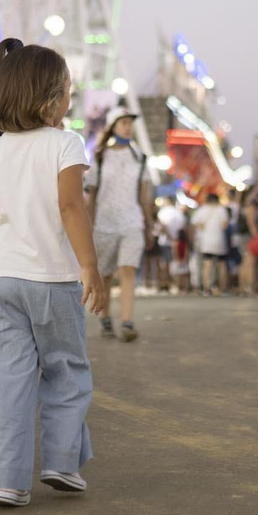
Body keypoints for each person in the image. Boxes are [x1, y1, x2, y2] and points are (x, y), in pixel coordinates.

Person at [0, 38, 104, 508]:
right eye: (67, 92)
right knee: (65, 372)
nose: (70, 102)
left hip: (3, 282)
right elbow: (71, 206)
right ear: (51, 100)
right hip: (55, 281)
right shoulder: (66, 143)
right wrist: (90, 266)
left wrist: (16, 219)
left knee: (4, 380)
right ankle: (61, 463)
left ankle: (7, 480)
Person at [84, 108, 152, 342]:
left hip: (131, 223)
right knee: (105, 276)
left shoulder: (140, 158)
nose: (128, 127)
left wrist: (149, 224)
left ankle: (127, 322)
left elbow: (143, 195)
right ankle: (105, 319)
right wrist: (89, 225)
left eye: (130, 123)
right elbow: (91, 195)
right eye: (123, 122)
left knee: (127, 269)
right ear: (113, 126)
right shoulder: (100, 157)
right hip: (104, 224)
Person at [192, 192, 229, 295]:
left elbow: (196, 224)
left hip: (206, 241)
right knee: (221, 265)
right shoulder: (222, 210)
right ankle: (222, 288)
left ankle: (206, 288)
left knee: (207, 264)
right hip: (219, 240)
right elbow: (225, 225)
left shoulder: (202, 210)